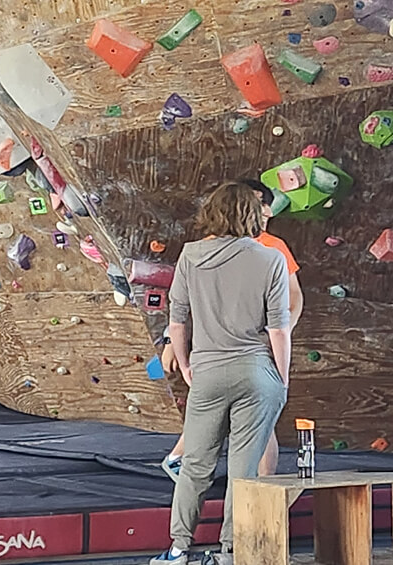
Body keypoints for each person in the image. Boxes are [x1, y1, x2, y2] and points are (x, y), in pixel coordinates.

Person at [151, 181, 292, 565]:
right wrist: (282, 377)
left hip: (208, 370)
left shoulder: (190, 256)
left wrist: (184, 363)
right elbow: (279, 328)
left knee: (195, 464)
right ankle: (230, 553)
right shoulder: (270, 259)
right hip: (257, 371)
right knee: (244, 471)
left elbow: (177, 320)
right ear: (252, 214)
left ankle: (178, 549)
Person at [161, 179, 304, 479]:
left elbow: (294, 298)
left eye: (255, 202)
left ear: (266, 209)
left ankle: (262, 485)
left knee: (258, 419)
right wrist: (172, 342)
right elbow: (185, 301)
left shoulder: (273, 248)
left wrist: (279, 334)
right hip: (213, 347)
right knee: (216, 413)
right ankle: (180, 458)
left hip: (252, 347)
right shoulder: (205, 248)